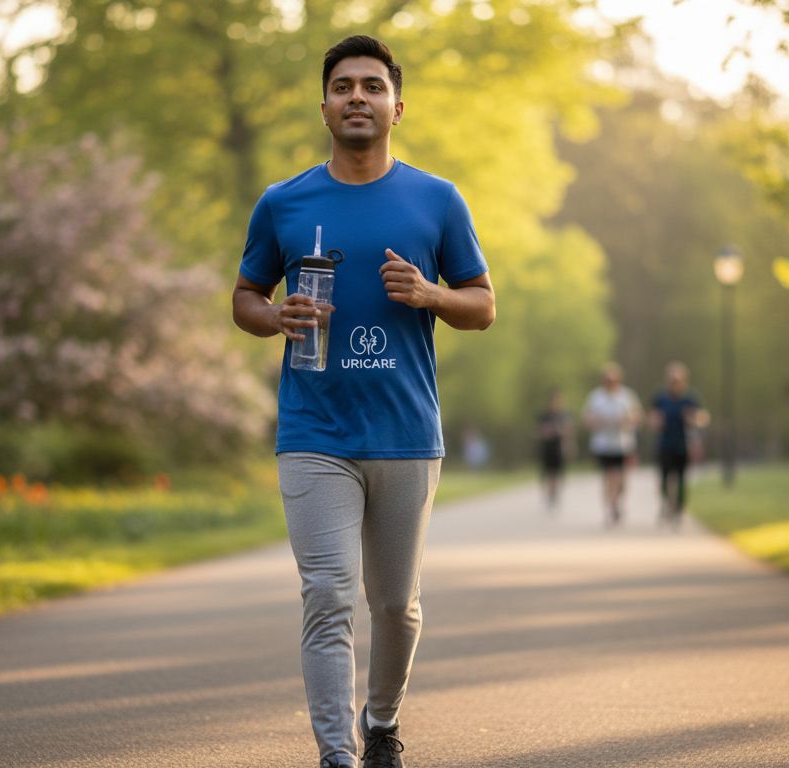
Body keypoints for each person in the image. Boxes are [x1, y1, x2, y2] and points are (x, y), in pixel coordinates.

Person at [231, 35, 495, 768]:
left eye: (372, 86)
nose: (357, 97)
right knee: (328, 596)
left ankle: (381, 724)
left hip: (406, 432)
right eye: (343, 86)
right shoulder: (284, 203)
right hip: (313, 429)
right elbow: (244, 298)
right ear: (324, 107)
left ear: (396, 107)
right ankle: (337, 756)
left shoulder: (437, 200)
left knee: (395, 607)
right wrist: (275, 316)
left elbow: (483, 305)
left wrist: (431, 293)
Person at [581, 363, 642, 526]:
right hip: (602, 444)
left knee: (621, 478)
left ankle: (618, 502)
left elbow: (637, 417)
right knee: (608, 477)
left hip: (623, 443)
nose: (610, 382)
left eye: (613, 380)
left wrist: (626, 420)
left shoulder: (627, 396)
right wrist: (597, 421)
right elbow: (586, 419)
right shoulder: (595, 397)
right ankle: (609, 507)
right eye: (607, 380)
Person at [647, 361, 706, 527]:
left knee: (681, 479)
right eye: (672, 379)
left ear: (684, 380)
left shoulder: (691, 398)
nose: (675, 383)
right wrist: (656, 422)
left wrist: (692, 419)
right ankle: (666, 504)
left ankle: (679, 509)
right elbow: (652, 418)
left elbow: (702, 419)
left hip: (683, 444)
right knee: (664, 478)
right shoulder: (660, 397)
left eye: (677, 380)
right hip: (665, 444)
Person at [535, 389, 574, 513]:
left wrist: (569, 444)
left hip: (559, 447)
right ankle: (549, 493)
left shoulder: (564, 415)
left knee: (558, 473)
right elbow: (538, 431)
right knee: (548, 473)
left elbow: (569, 431)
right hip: (547, 447)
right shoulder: (545, 416)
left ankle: (556, 493)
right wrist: (547, 432)